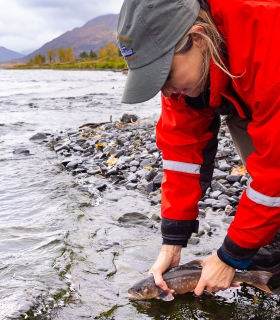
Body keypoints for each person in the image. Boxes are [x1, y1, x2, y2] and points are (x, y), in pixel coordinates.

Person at [117, 0, 280, 296]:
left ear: (198, 38)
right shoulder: (185, 70)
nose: (165, 92)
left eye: (164, 75)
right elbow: (182, 153)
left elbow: (277, 170)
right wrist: (172, 241)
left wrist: (230, 255)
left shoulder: (269, 41)